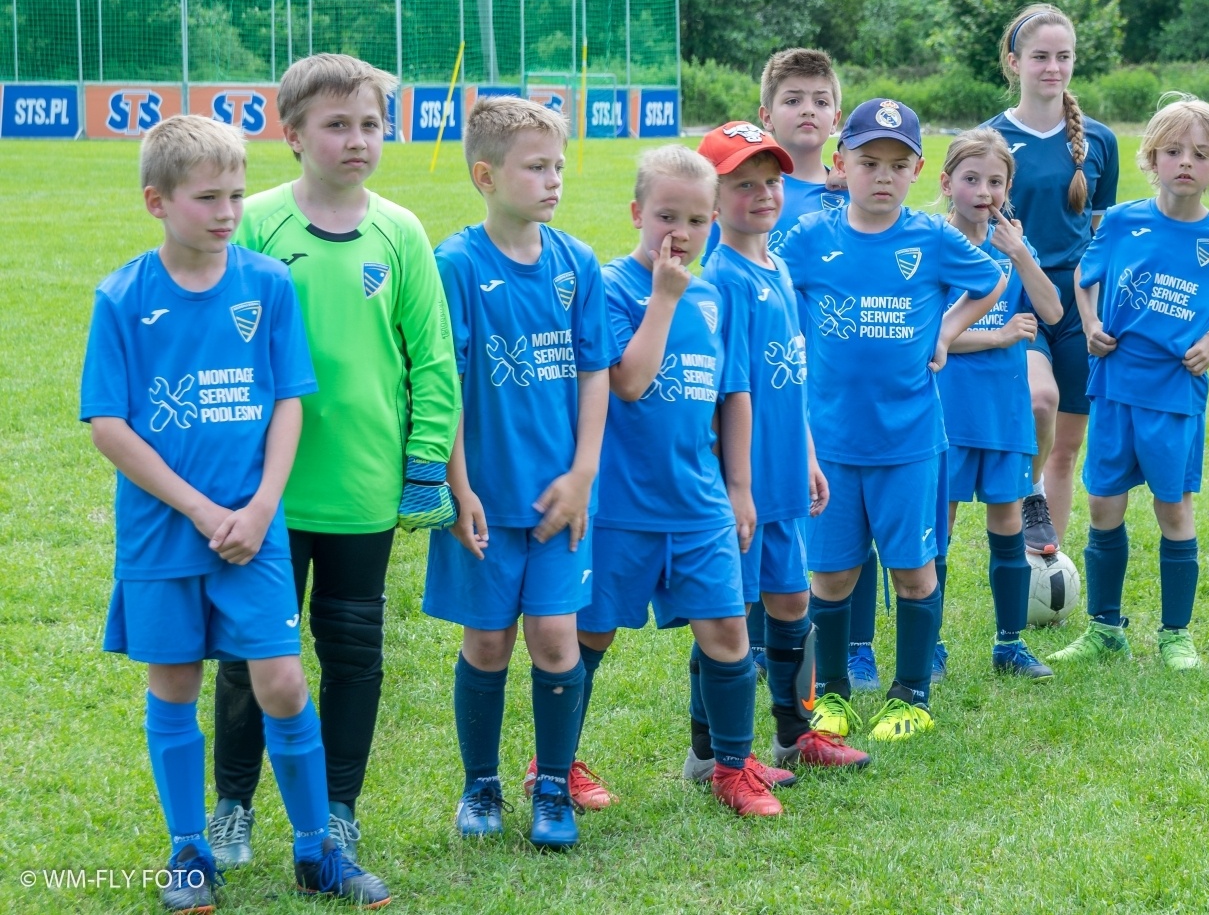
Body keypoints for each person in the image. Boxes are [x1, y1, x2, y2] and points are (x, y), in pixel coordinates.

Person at [82, 115, 388, 911]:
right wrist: (199, 506)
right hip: (162, 533)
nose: (226, 211)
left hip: (255, 534)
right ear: (157, 200)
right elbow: (109, 426)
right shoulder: (121, 297)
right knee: (176, 681)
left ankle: (318, 847)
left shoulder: (266, 284)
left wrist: (258, 507)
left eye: (237, 194)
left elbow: (288, 400)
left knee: (283, 681)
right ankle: (190, 850)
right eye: (207, 197)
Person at [209, 54, 461, 864]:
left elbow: (434, 357)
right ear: (292, 134)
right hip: (265, 497)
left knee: (353, 652)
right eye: (337, 124)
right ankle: (232, 806)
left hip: (362, 488)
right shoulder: (254, 224)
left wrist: (425, 463)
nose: (357, 140)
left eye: (371, 125)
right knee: (253, 657)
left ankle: (338, 805)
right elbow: (219, 348)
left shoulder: (402, 232)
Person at [776, 98, 1003, 741]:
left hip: (908, 442)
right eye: (869, 161)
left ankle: (911, 695)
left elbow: (988, 282)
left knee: (913, 569)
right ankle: (837, 693)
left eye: (897, 165)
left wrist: (947, 331)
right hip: (831, 444)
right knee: (833, 574)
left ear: (917, 170)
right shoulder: (813, 236)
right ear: (841, 164)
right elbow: (772, 286)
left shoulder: (931, 239)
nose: (882, 175)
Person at [424, 97, 615, 848]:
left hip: (562, 497)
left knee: (558, 639)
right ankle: (481, 786)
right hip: (484, 498)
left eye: (558, 165)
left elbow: (595, 372)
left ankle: (555, 788)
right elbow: (446, 384)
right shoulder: (456, 264)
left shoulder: (577, 263)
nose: (553, 179)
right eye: (536, 166)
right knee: (487, 642)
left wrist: (583, 475)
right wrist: (458, 486)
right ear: (485, 174)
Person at [574, 146, 787, 817]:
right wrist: (662, 298)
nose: (682, 233)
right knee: (590, 636)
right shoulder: (612, 287)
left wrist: (741, 486)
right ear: (638, 212)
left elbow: (735, 392)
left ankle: (730, 766)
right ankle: (556, 763)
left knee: (727, 631)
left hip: (698, 501)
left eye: (697, 219)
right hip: (624, 503)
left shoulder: (714, 295)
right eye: (667, 215)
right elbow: (629, 383)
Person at [1052, 96, 1209, 669]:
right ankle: (1105, 628)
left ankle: (1176, 634)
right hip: (1114, 386)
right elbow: (1084, 275)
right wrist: (1093, 322)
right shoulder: (1123, 220)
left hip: (1173, 397)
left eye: (1201, 155)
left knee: (1173, 508)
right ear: (1151, 157)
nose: (1185, 163)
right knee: (1104, 504)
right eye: (1173, 151)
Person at [696, 121, 871, 771]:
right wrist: (733, 485)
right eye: (743, 185)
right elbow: (723, 394)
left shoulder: (776, 269)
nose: (764, 194)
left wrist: (808, 454)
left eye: (770, 181)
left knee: (791, 599)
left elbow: (789, 377)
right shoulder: (722, 280)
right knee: (730, 612)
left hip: (784, 471)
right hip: (738, 481)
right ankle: (707, 751)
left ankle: (794, 732)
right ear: (712, 200)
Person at [984, 4, 1120, 561]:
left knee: (1068, 445)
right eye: (1040, 57)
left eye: (1063, 56)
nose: (1053, 68)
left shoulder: (1100, 142)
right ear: (1014, 63)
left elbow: (1100, 234)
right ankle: (1030, 496)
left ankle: (1046, 566)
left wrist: (1097, 307)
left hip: (1079, 304)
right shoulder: (990, 138)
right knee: (1040, 401)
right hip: (1018, 296)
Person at [936, 127, 1064, 680]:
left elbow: (1054, 313)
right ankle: (931, 643)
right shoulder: (932, 243)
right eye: (971, 179)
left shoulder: (1013, 245)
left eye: (995, 181)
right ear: (947, 184)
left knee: (1008, 525)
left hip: (1005, 410)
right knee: (937, 530)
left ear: (1008, 187)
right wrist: (997, 335)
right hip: (949, 409)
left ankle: (1009, 644)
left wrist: (1021, 255)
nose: (983, 191)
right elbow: (931, 339)